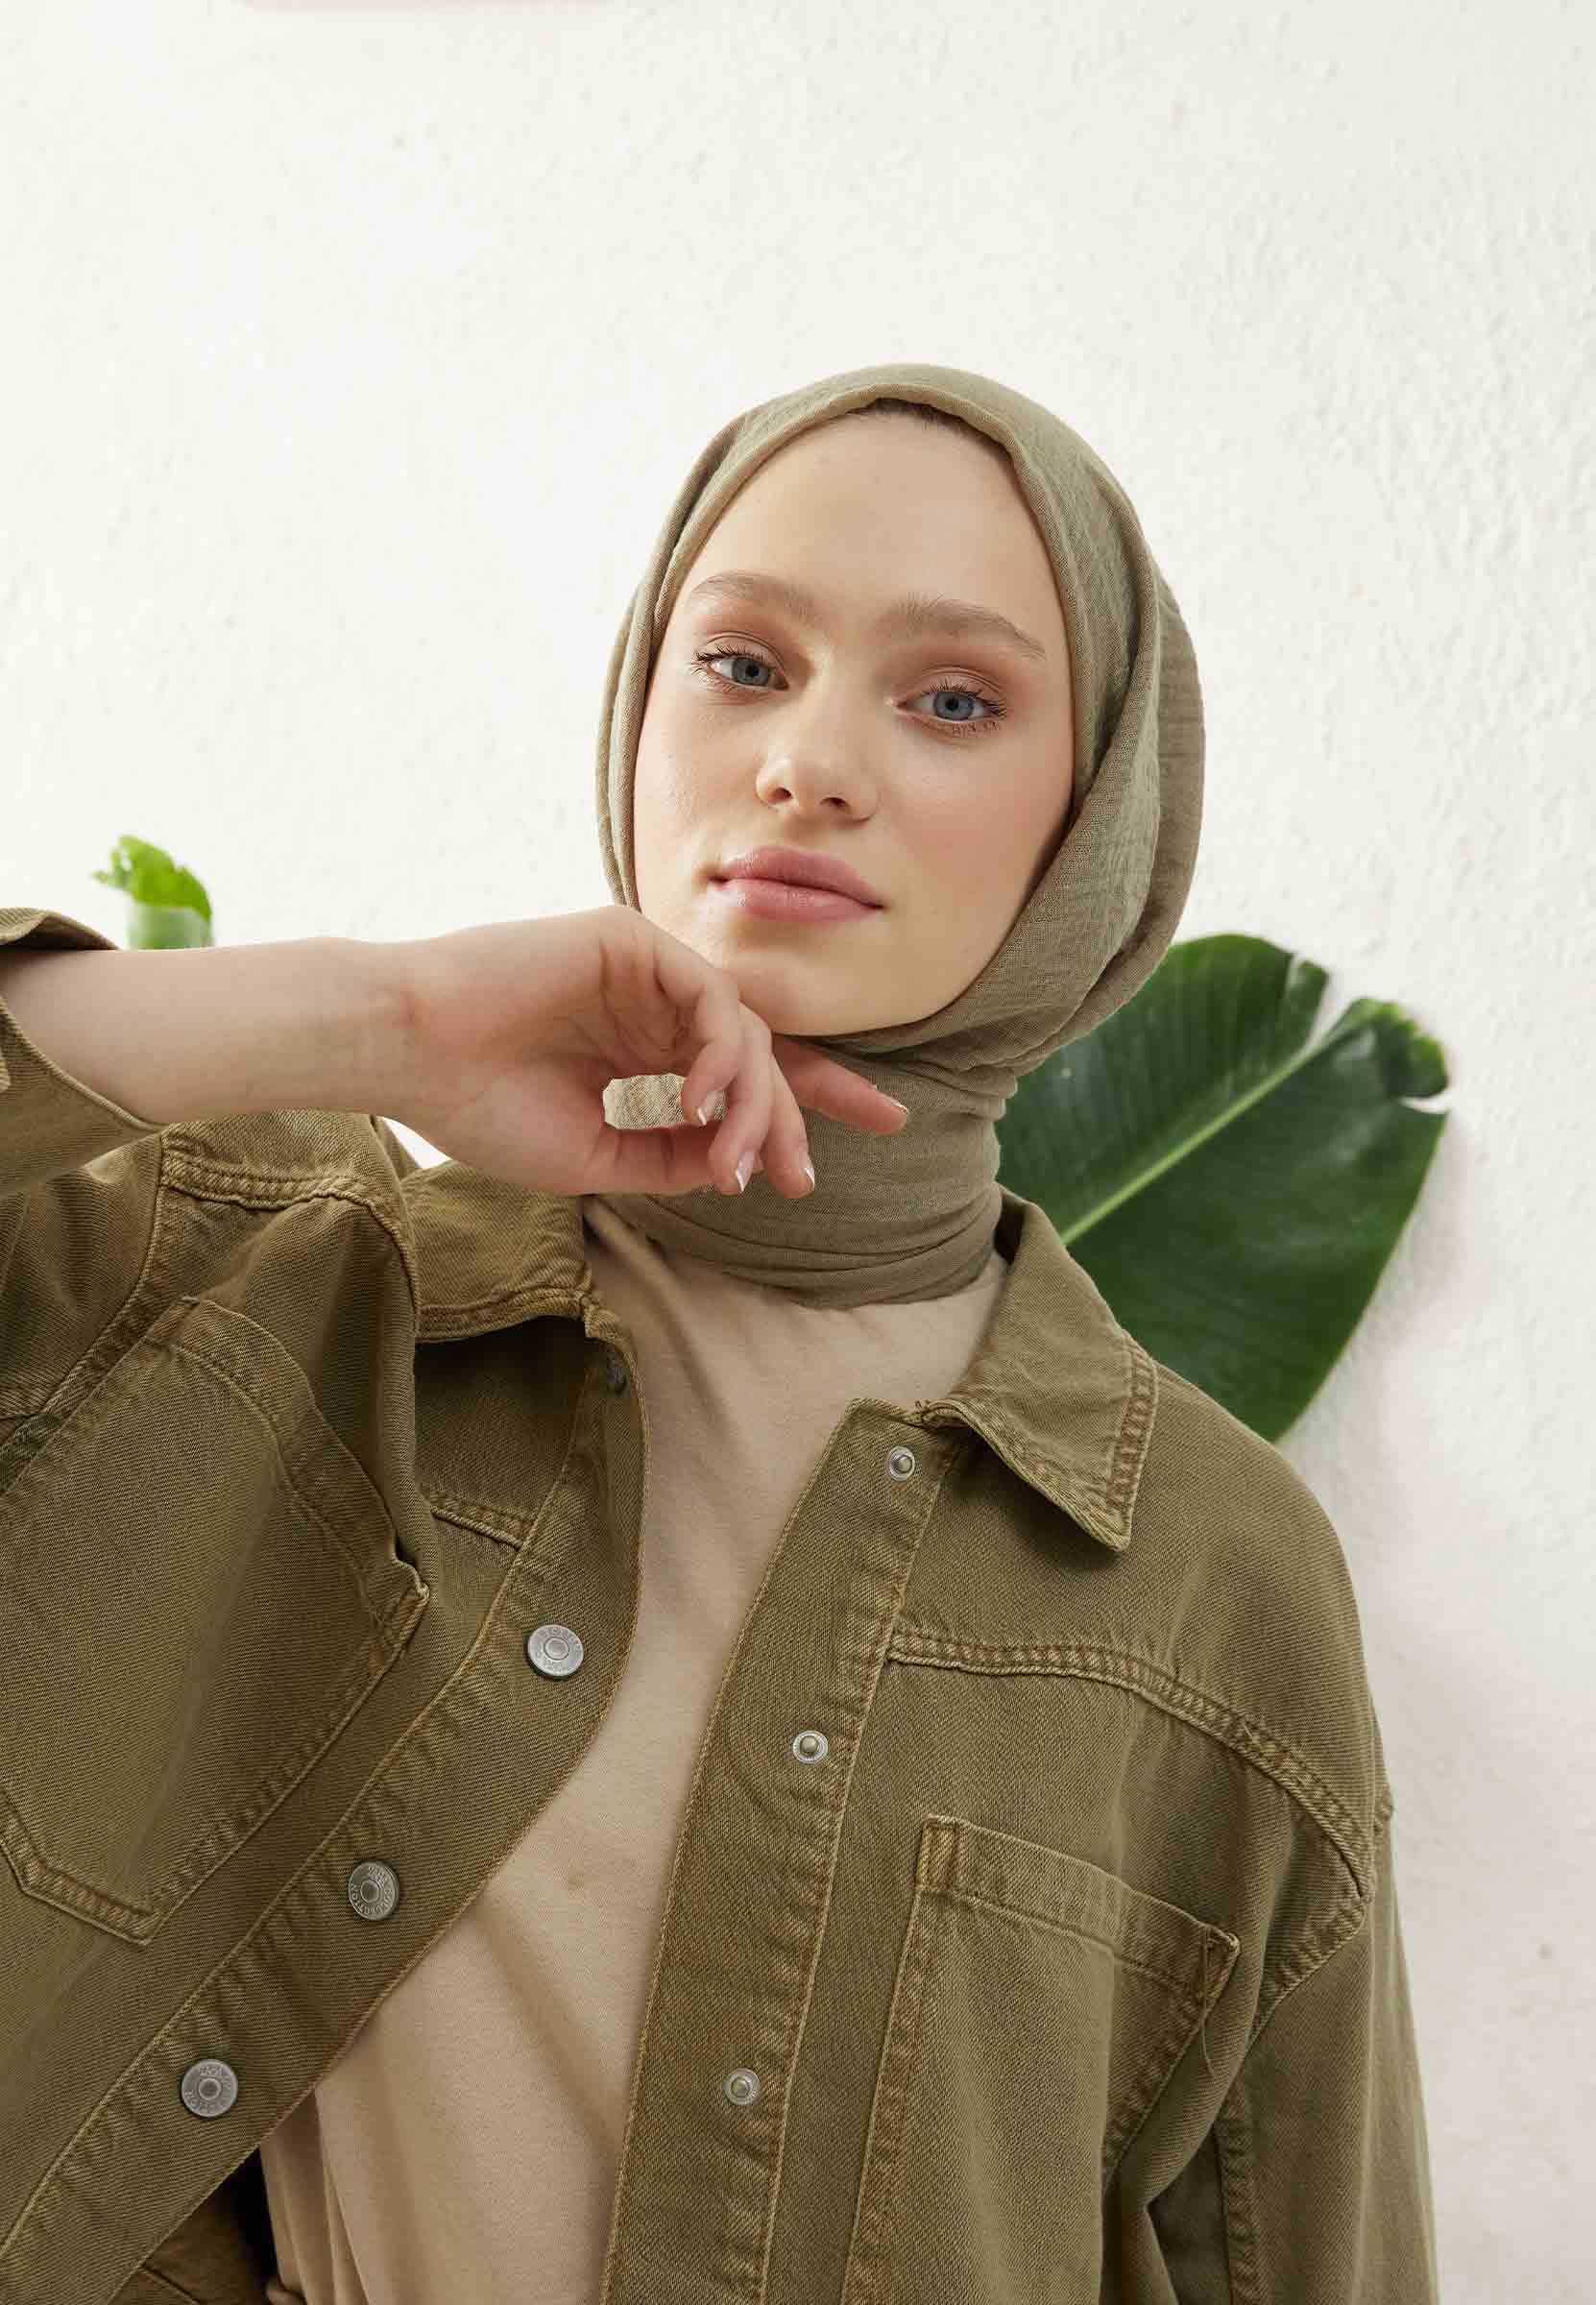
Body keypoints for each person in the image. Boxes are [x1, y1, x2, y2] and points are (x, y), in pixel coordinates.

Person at [0, 361, 1439, 2305]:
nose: (808, 764)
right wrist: (380, 1020)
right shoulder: (253, 1282)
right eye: (743, 665)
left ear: (1092, 821)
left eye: (953, 699)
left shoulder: (1208, 1572)